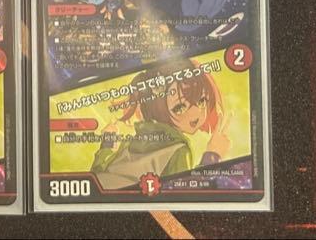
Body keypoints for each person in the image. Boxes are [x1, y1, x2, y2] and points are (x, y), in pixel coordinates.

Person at [91, 59, 232, 190]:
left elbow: (98, 176)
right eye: (179, 108)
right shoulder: (177, 150)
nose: (196, 114)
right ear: (158, 110)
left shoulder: (130, 143)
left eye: (201, 101)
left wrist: (107, 143)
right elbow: (184, 193)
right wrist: (212, 155)